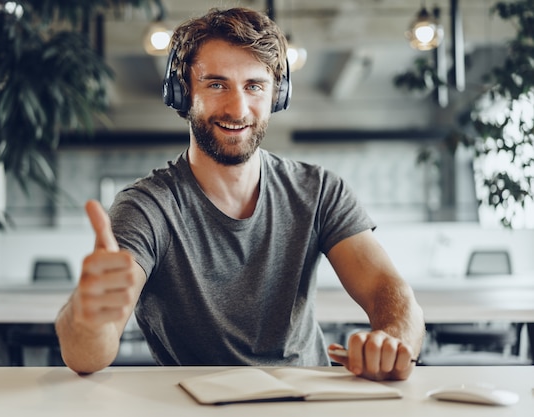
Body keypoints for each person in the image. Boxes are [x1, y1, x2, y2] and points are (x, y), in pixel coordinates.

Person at [55, 7, 425, 381]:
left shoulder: (320, 191)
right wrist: (87, 318)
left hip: (306, 399)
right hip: (197, 404)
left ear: (276, 96)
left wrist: (393, 339)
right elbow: (87, 356)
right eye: (216, 84)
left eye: (254, 86)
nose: (238, 108)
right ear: (183, 93)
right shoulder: (147, 208)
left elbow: (388, 290)